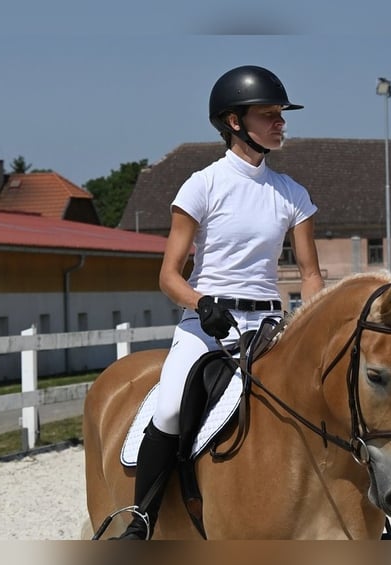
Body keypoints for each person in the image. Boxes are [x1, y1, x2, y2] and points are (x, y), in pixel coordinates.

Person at [117, 65, 325, 540]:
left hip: (271, 325)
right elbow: (169, 275)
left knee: (327, 398)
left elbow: (311, 274)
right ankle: (142, 519)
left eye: (280, 115)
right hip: (207, 323)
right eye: (269, 114)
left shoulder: (293, 194)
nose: (280, 122)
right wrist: (202, 301)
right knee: (169, 407)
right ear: (234, 122)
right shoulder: (201, 185)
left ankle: (368, 519)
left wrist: (310, 325)